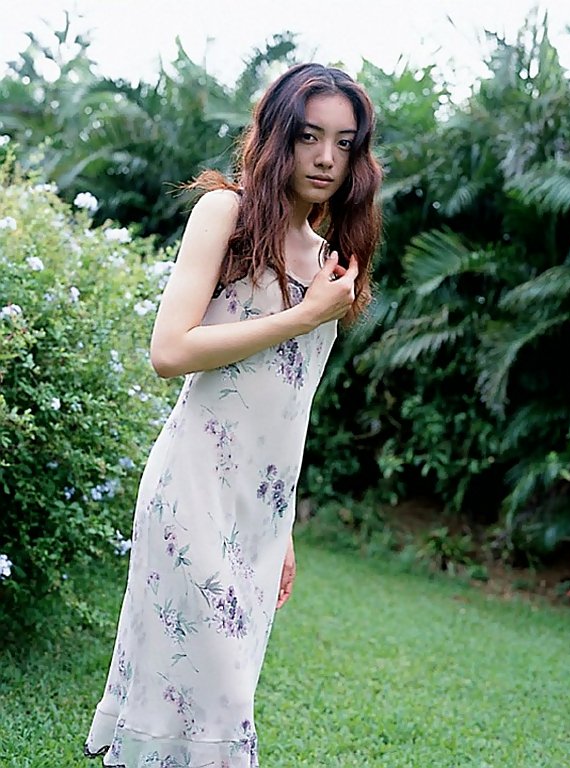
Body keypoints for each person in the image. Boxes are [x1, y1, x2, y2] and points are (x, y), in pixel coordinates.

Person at [84, 62, 382, 768]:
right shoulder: (226, 214)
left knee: (217, 688)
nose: (325, 157)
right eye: (309, 136)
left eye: (343, 143)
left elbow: (291, 403)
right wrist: (302, 315)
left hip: (259, 511)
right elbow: (169, 351)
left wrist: (284, 526)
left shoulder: (333, 262)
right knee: (210, 692)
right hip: (193, 486)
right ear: (278, 135)